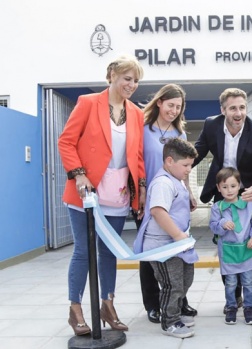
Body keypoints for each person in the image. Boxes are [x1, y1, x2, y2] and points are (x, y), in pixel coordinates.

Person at [57, 54, 145, 335]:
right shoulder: (88, 103)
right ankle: (76, 310)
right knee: (84, 252)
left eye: (135, 81)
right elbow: (66, 141)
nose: (131, 85)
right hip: (87, 192)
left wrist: (140, 188)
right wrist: (78, 173)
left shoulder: (136, 113)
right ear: (112, 75)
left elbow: (137, 155)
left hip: (118, 194)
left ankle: (107, 305)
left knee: (109, 254)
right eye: (126, 78)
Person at [193, 88, 252, 316]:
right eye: (233, 108)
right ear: (223, 110)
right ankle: (235, 295)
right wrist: (173, 173)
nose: (239, 113)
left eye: (242, 107)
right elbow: (196, 154)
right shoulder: (211, 125)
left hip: (251, 194)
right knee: (227, 243)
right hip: (224, 193)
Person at [138, 84, 197, 324]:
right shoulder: (143, 129)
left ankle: (178, 300)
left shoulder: (179, 134)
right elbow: (137, 161)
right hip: (150, 196)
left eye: (178, 107)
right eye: (170, 105)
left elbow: (184, 168)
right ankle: (153, 304)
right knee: (152, 251)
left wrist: (189, 192)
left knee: (178, 251)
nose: (173, 110)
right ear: (159, 102)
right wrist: (141, 190)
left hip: (174, 197)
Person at [135, 137, 198, 338]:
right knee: (172, 283)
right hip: (163, 247)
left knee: (185, 279)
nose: (189, 169)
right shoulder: (162, 183)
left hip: (178, 245)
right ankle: (169, 321)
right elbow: (158, 212)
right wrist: (179, 235)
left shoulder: (176, 181)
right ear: (169, 161)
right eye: (185, 165)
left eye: (191, 165)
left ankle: (176, 312)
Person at [209, 167, 252, 325]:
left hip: (246, 248)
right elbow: (213, 225)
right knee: (231, 282)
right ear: (219, 188)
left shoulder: (249, 205)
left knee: (248, 281)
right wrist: (222, 224)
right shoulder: (217, 207)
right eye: (224, 187)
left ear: (239, 185)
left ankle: (248, 307)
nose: (229, 190)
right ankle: (231, 306)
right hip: (229, 251)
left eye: (233, 186)